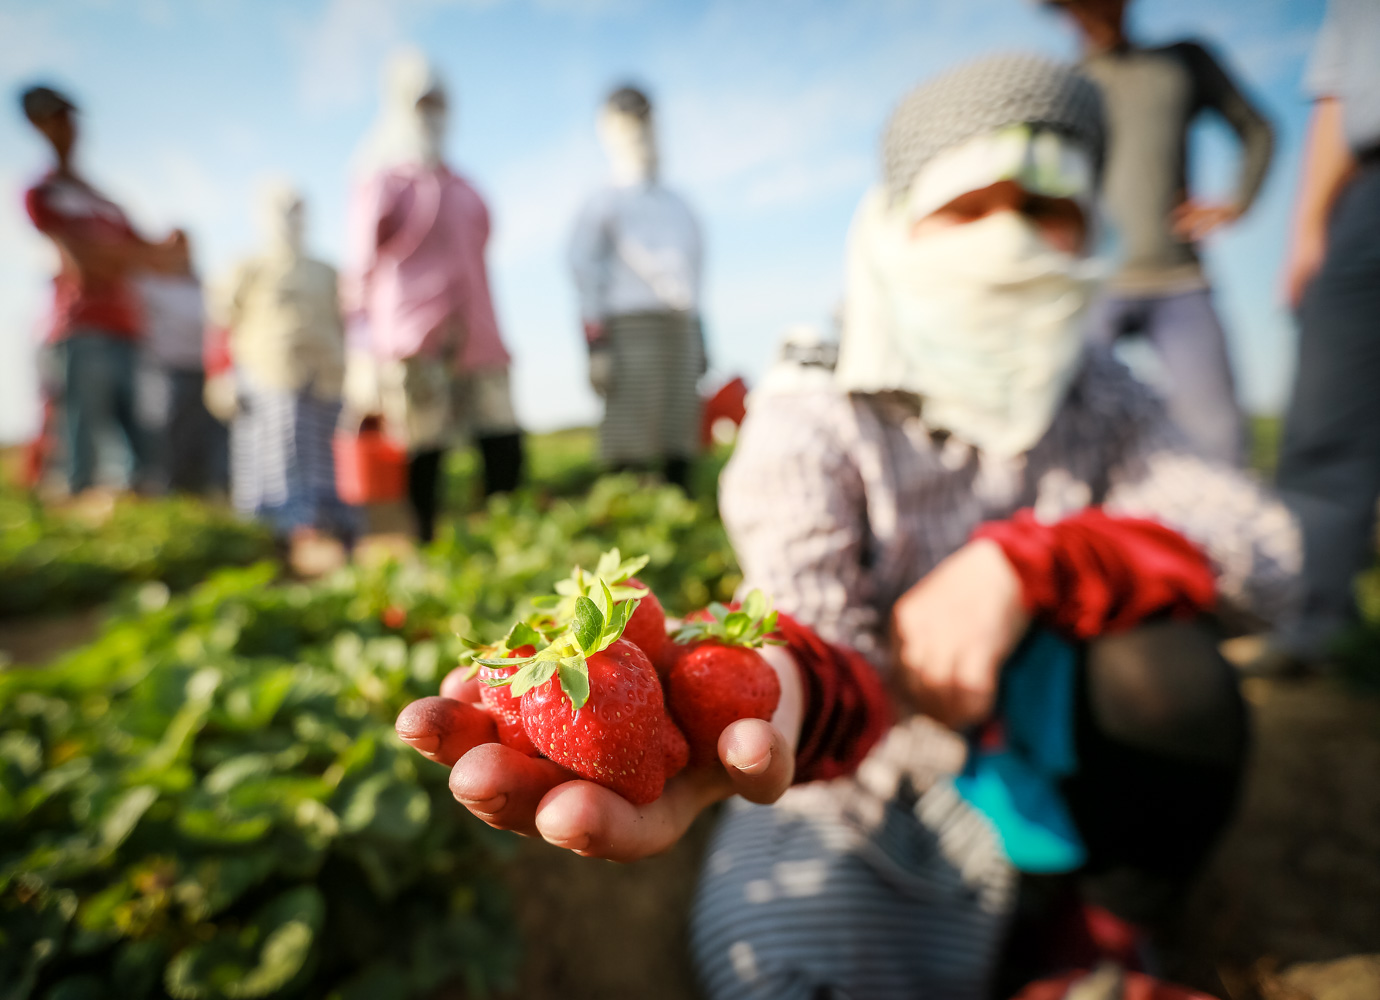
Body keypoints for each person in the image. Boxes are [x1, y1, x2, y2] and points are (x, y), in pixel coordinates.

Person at [396, 55, 1302, 998]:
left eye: (1045, 209)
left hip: (1067, 736)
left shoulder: (1106, 398)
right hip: (863, 763)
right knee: (782, 967)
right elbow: (813, 634)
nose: (1010, 238)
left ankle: (1110, 929)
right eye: (970, 206)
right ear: (896, 225)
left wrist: (1036, 560)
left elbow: (1263, 549)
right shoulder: (817, 407)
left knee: (1173, 678)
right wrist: (780, 686)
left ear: (1091, 228)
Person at [1045, 0, 1275, 467]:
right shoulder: (1062, 85)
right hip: (1092, 286)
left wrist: (1238, 201)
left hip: (1179, 280)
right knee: (1066, 437)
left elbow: (1257, 130)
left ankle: (1216, 539)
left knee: (1219, 437)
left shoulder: (1182, 63)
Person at [343, 49, 522, 543]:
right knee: (426, 449)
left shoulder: (467, 188)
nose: (433, 114)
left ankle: (507, 540)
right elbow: (360, 267)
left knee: (502, 440)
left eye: (439, 102)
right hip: (412, 340)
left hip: (478, 338)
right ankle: (426, 544)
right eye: (422, 103)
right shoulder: (383, 182)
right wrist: (361, 350)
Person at [1271, 0, 1380, 669]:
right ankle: (1311, 621)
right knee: (1325, 419)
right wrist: (1309, 229)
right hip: (1369, 190)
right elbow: (1336, 94)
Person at [20, 84, 178, 494]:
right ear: (38, 126)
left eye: (69, 118)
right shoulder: (42, 193)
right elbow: (84, 267)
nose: (66, 128)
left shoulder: (106, 201)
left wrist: (122, 255)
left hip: (127, 328)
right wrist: (132, 256)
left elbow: (165, 259)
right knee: (81, 446)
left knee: (139, 450)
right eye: (55, 119)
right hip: (78, 330)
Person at [568, 84, 706, 492]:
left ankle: (679, 524)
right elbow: (583, 272)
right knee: (630, 441)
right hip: (629, 331)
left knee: (678, 435)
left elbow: (694, 278)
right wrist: (596, 345)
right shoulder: (601, 202)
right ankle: (629, 530)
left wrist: (700, 337)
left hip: (679, 329)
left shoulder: (680, 205)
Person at [208, 182, 354, 551]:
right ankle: (277, 538)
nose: (291, 218)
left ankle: (332, 533)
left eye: (298, 208)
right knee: (275, 457)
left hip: (327, 377)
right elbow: (222, 324)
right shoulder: (248, 268)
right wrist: (220, 372)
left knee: (328, 457)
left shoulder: (327, 271)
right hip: (268, 375)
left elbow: (347, 322)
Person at [135, 230, 227, 495]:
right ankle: (171, 491)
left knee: (210, 435)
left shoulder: (205, 286)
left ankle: (208, 491)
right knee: (174, 434)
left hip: (207, 370)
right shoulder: (149, 284)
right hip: (169, 370)